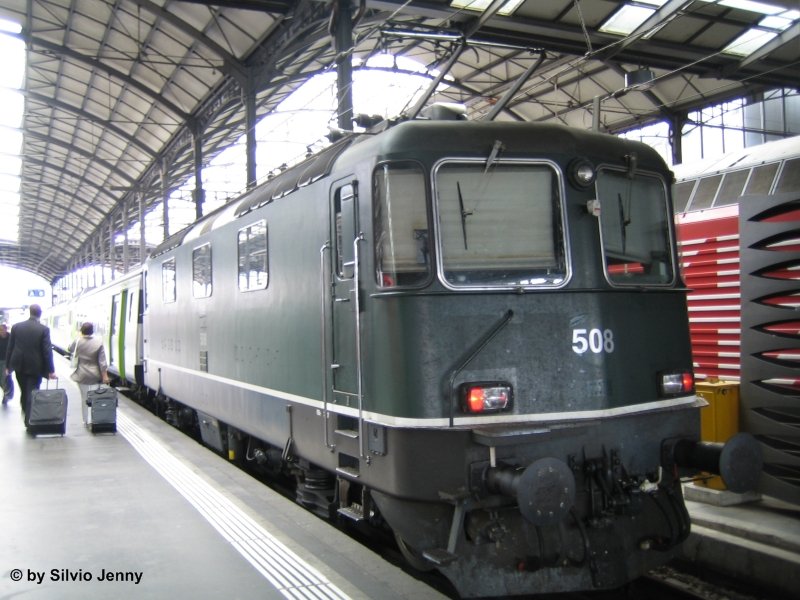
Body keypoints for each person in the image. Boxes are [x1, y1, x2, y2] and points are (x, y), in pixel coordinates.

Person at [4, 304, 56, 420]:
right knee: (32, 391)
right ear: (40, 314)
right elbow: (47, 351)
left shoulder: (17, 327)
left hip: (19, 365)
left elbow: (10, 348)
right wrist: (51, 370)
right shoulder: (43, 329)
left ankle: (25, 411)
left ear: (30, 312)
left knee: (24, 390)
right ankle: (29, 417)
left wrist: (8, 366)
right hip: (35, 366)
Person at [68, 322, 109, 425]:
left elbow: (70, 349)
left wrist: (78, 339)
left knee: (84, 398)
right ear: (92, 331)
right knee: (94, 397)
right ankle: (93, 419)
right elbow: (102, 361)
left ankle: (85, 420)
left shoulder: (78, 341)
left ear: (81, 331)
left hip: (81, 374)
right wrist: (105, 376)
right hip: (95, 374)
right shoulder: (99, 342)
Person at [0, 323, 14, 404]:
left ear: (6, 329)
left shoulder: (10, 337)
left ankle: (6, 395)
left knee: (5, 378)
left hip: (7, 361)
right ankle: (7, 392)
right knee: (1, 380)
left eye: (3, 330)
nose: (2, 332)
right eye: (0, 330)